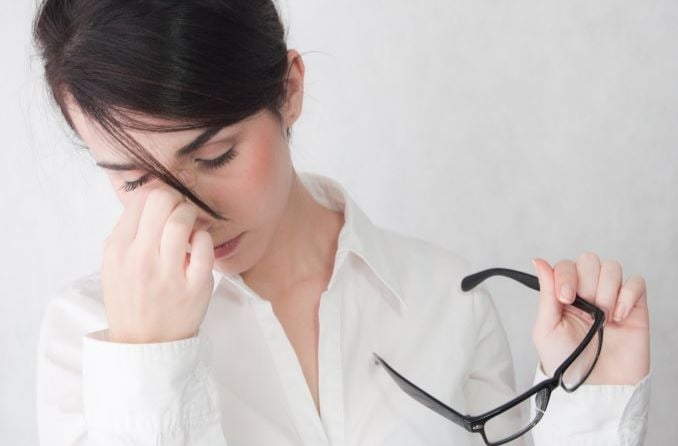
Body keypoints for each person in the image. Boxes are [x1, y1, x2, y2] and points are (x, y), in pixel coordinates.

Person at [32, 1, 650, 445]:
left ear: (290, 88)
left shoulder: (445, 299)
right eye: (133, 179)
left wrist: (593, 411)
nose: (187, 216)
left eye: (215, 155)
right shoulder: (88, 339)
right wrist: (150, 368)